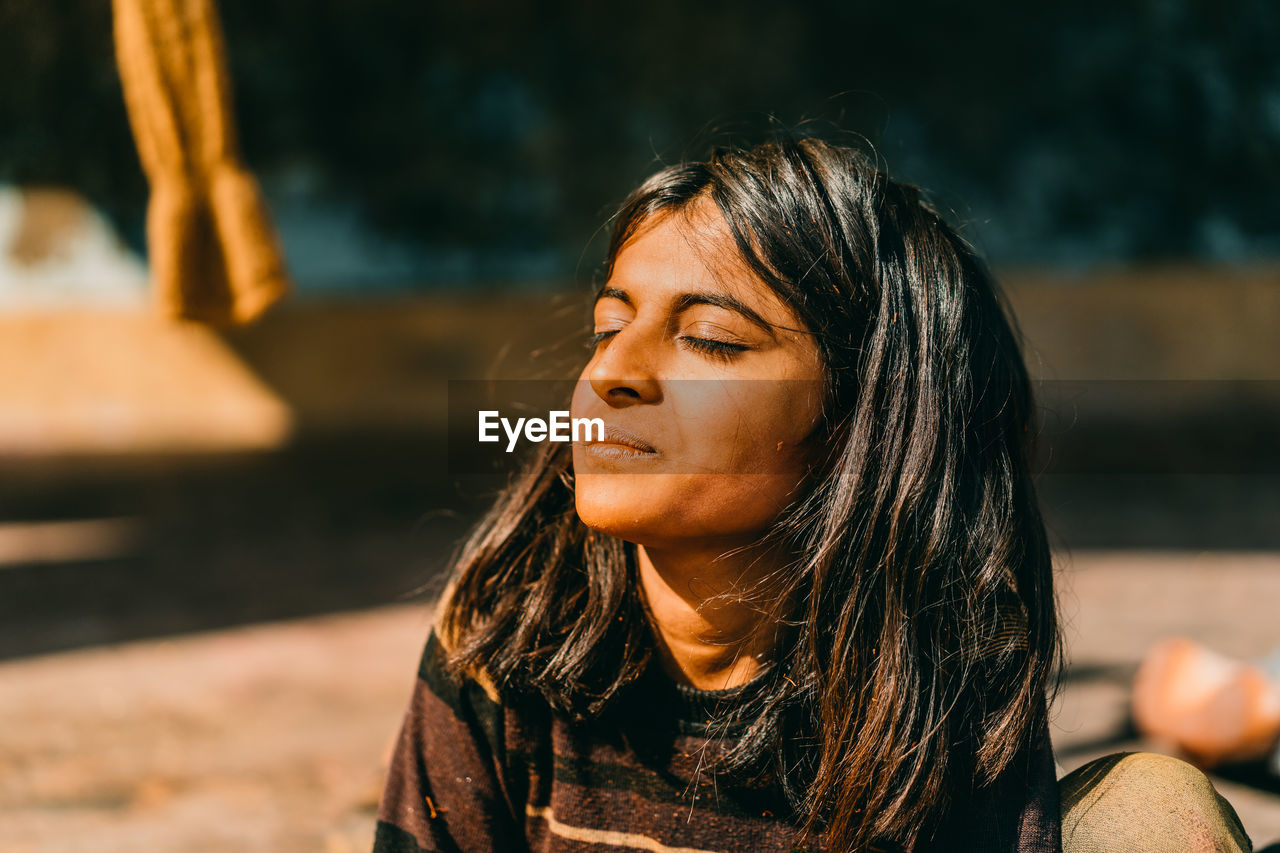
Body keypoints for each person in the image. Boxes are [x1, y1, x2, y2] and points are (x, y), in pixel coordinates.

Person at [373, 136, 1253, 852]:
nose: (612, 371)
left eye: (711, 339)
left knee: (1146, 813)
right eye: (609, 325)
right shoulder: (509, 629)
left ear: (855, 423)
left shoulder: (938, 669)